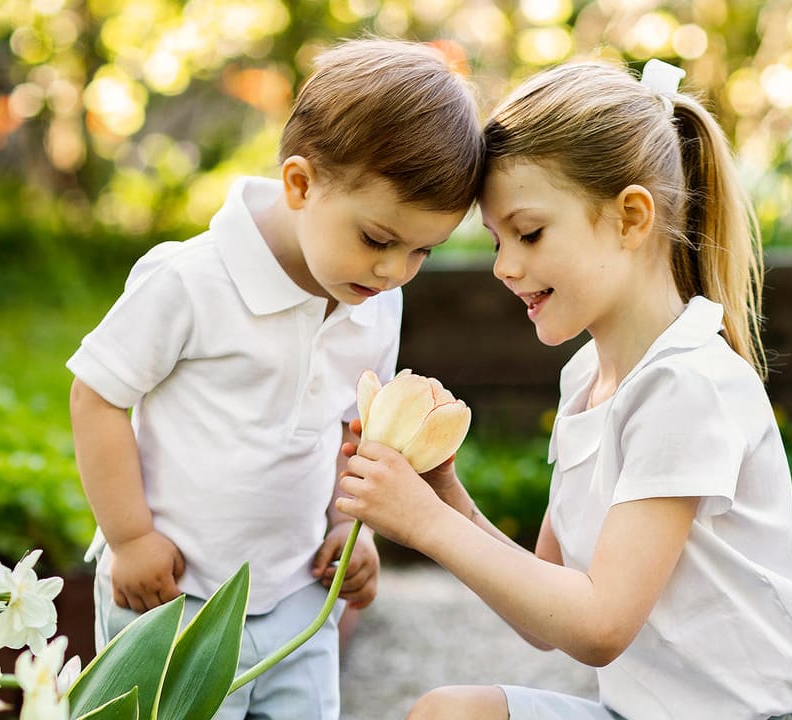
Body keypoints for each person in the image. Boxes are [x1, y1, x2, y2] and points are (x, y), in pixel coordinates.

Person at [336, 59, 792, 720]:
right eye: (497, 241)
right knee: (449, 714)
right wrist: (448, 497)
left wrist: (427, 524)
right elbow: (547, 613)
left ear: (631, 219)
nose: (504, 266)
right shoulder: (587, 377)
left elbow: (598, 626)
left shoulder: (687, 385)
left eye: (529, 233)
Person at [67, 38, 484, 719]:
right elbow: (98, 395)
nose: (393, 272)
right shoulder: (191, 281)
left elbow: (359, 432)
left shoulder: (374, 303)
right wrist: (130, 538)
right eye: (379, 240)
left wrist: (354, 533)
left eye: (421, 251)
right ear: (299, 184)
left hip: (297, 597)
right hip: (177, 599)